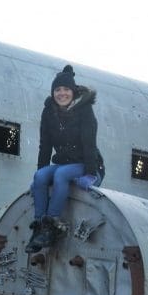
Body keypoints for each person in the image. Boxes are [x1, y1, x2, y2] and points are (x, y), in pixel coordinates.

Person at [27, 65, 104, 253]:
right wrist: (39, 173)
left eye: (66, 89)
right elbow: (45, 145)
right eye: (57, 90)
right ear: (53, 92)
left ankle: (52, 224)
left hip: (87, 163)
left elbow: (89, 143)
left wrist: (91, 173)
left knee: (61, 174)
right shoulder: (49, 112)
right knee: (40, 177)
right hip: (64, 163)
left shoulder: (84, 110)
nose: (62, 93)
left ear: (73, 91)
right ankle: (39, 224)